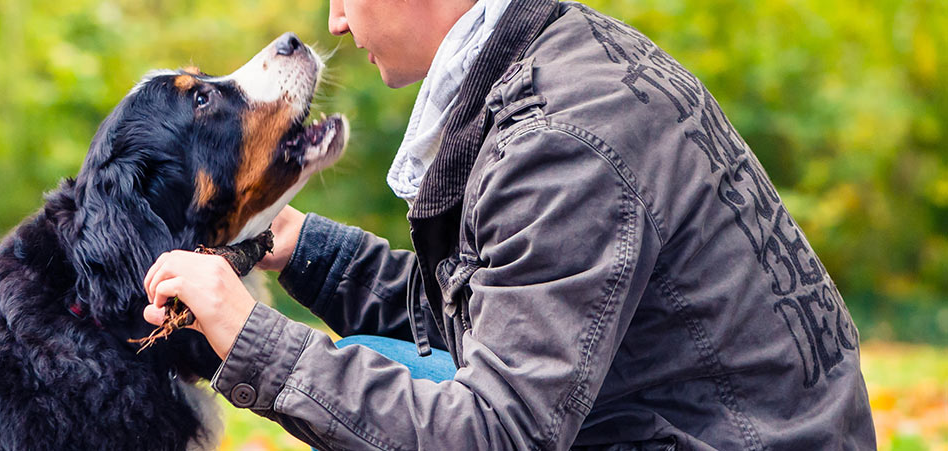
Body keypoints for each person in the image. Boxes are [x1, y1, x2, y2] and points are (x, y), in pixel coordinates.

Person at [139, 0, 877, 448]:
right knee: (371, 364)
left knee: (357, 411)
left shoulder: (560, 141)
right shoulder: (559, 59)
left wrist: (252, 338)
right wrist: (303, 248)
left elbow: (494, 436)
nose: (334, 20)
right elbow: (499, 314)